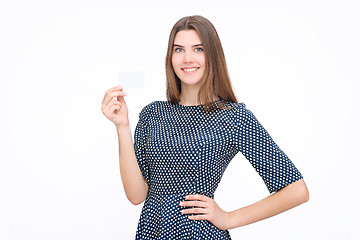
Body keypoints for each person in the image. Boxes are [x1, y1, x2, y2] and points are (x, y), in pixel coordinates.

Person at [101, 15, 309, 239]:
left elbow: (297, 191)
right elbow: (136, 195)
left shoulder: (233, 117)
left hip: (199, 233)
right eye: (178, 50)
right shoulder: (153, 114)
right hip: (153, 231)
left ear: (212, 55)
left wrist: (229, 218)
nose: (187, 58)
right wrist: (122, 126)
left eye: (198, 49)